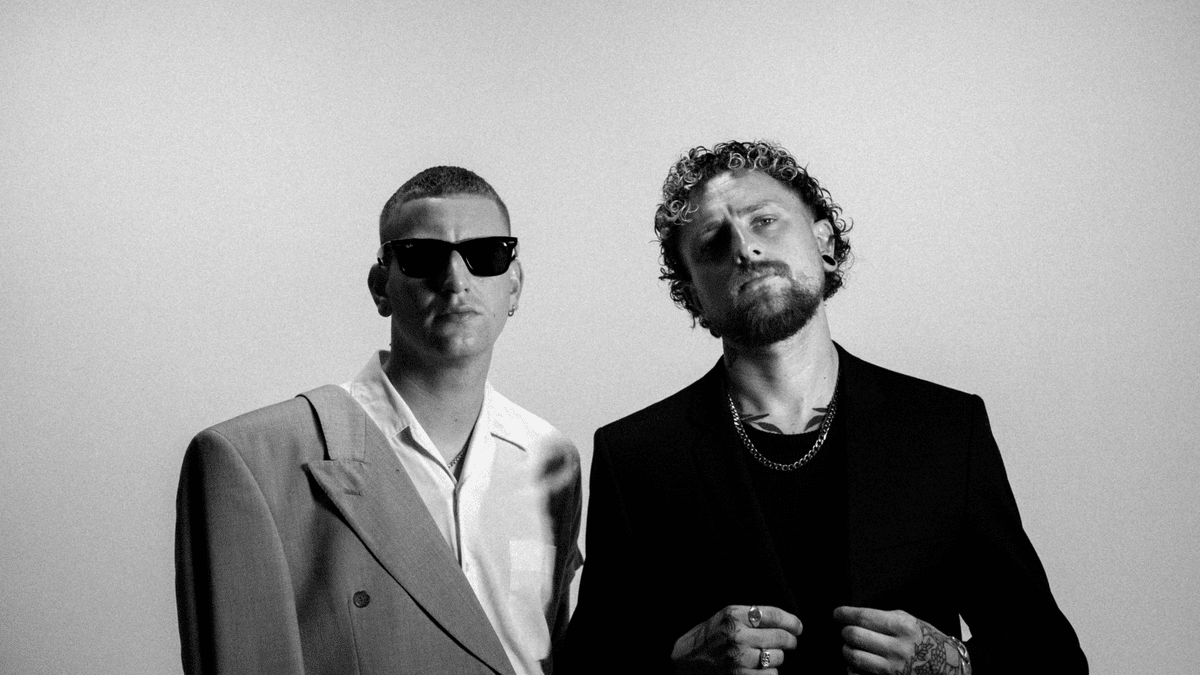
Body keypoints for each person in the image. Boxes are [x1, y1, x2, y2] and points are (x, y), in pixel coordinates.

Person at [563, 141, 1087, 674]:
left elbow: (1054, 656)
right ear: (693, 294)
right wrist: (680, 664)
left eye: (764, 220)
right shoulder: (636, 456)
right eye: (714, 242)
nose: (746, 248)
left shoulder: (945, 428)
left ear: (824, 242)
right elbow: (588, 665)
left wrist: (954, 664)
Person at [175, 166, 582, 675]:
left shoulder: (550, 458)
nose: (457, 281)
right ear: (380, 287)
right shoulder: (259, 460)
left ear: (515, 285)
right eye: (422, 257)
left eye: (487, 255)